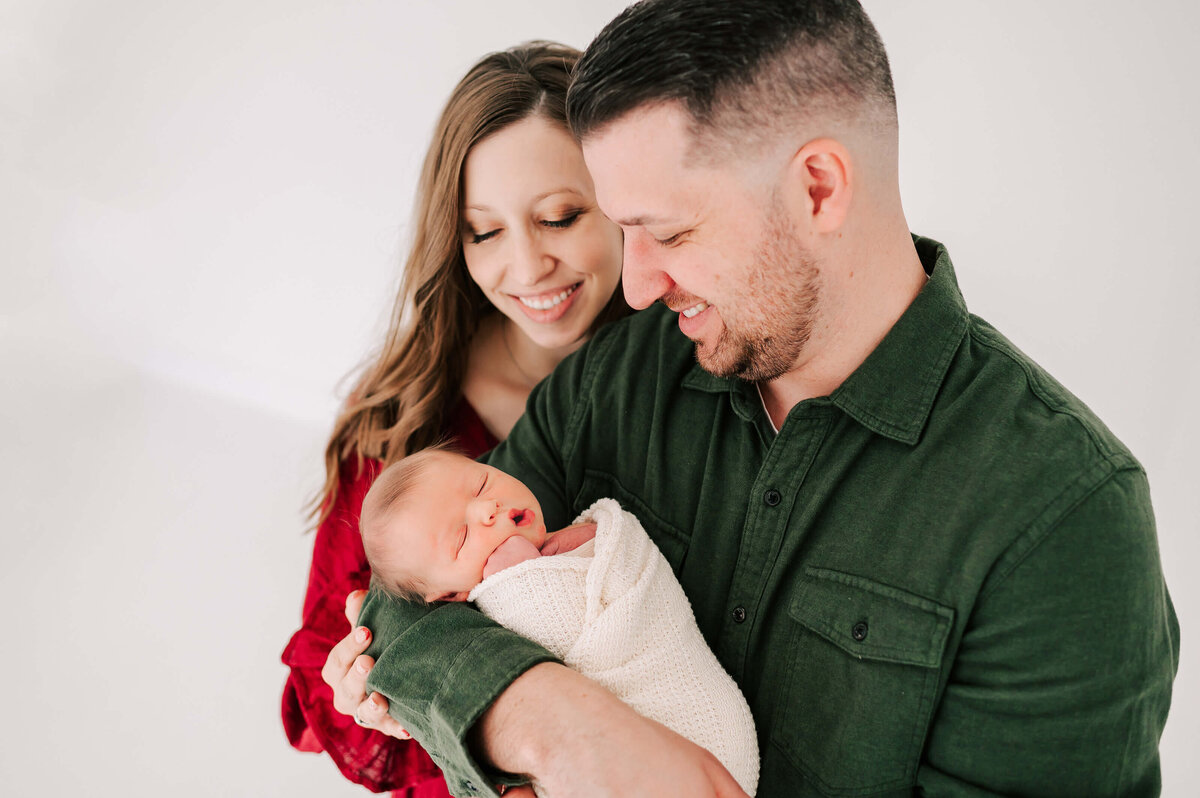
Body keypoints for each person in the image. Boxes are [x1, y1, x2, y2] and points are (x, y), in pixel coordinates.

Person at [336, 2, 1180, 796]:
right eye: (621, 230)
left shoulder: (1065, 518)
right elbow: (407, 600)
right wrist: (563, 727)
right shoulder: (622, 371)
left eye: (668, 232)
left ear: (817, 187)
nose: (634, 286)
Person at [279, 41, 628, 798]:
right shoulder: (401, 419)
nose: (528, 268)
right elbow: (322, 673)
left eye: (560, 217)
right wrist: (368, 700)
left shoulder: (699, 369)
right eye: (486, 232)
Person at [359, 448, 760, 795]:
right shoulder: (504, 600)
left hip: (702, 726)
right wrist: (514, 574)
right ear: (449, 597)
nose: (487, 508)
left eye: (482, 483)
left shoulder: (586, 536)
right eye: (462, 536)